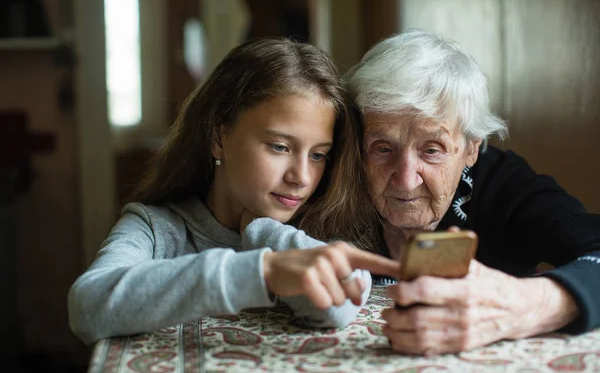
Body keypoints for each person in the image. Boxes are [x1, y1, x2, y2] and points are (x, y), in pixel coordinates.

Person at [68, 38, 399, 345]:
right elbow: (86, 308)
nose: (301, 177)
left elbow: (340, 305)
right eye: (280, 147)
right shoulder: (156, 228)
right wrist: (263, 273)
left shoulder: (320, 221)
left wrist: (262, 232)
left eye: (317, 155)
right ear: (219, 137)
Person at [342, 28, 600, 355]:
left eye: (432, 150)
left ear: (471, 148)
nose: (406, 180)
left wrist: (525, 306)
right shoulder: (333, 180)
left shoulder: (502, 184)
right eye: (382, 148)